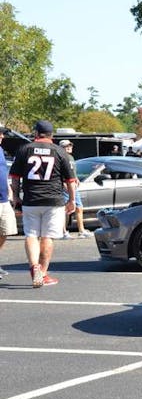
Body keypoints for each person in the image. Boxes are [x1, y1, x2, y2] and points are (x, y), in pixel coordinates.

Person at [9, 120, 77, 288]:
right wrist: (72, 200)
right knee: (47, 236)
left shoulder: (25, 149)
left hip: (31, 198)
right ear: (51, 135)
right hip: (53, 200)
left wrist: (16, 196)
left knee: (31, 234)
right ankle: (44, 273)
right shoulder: (60, 152)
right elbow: (70, 180)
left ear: (36, 133)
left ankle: (34, 267)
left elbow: (15, 178)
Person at [58, 140, 92, 238]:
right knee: (65, 210)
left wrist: (76, 178)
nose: (69, 147)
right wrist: (63, 183)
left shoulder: (71, 157)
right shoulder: (60, 157)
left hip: (73, 185)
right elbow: (60, 172)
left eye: (70, 146)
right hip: (64, 185)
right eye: (66, 146)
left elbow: (72, 171)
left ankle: (81, 230)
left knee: (79, 207)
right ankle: (63, 232)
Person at [0, 128, 18, 279]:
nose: (2, 136)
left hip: (4, 199)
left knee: (6, 230)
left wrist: (10, 190)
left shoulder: (0, 150)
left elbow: (3, 172)